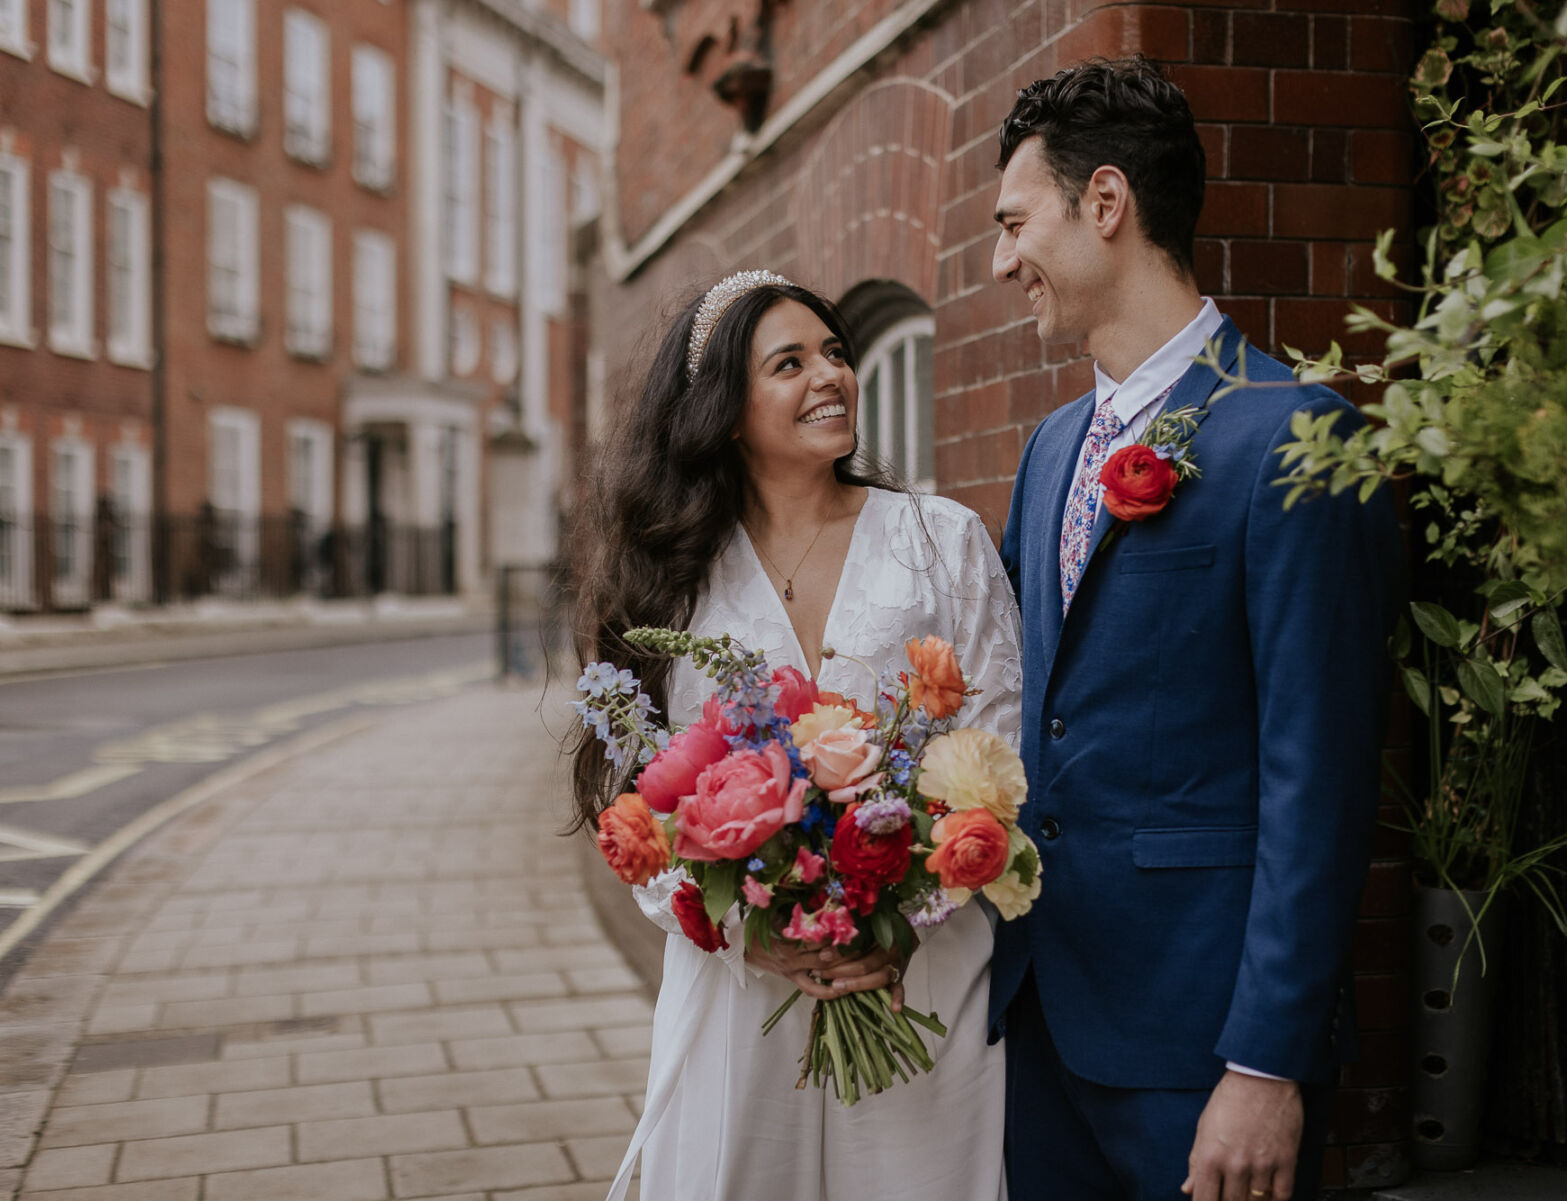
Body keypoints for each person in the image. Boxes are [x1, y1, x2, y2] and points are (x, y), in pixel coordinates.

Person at [987, 59, 1406, 1201]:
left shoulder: (1295, 439)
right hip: (1044, 1020)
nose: (999, 259)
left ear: (1106, 204)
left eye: (1015, 222)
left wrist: (1265, 1060)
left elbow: (1318, 775)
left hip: (1204, 1043)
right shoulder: (1048, 452)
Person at [567, 271, 1021, 1201]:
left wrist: (899, 919)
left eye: (838, 353)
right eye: (790, 362)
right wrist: (749, 930)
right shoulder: (672, 579)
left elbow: (998, 751)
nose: (832, 375)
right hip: (741, 995)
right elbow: (637, 813)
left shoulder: (943, 538)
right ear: (726, 411)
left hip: (917, 979)